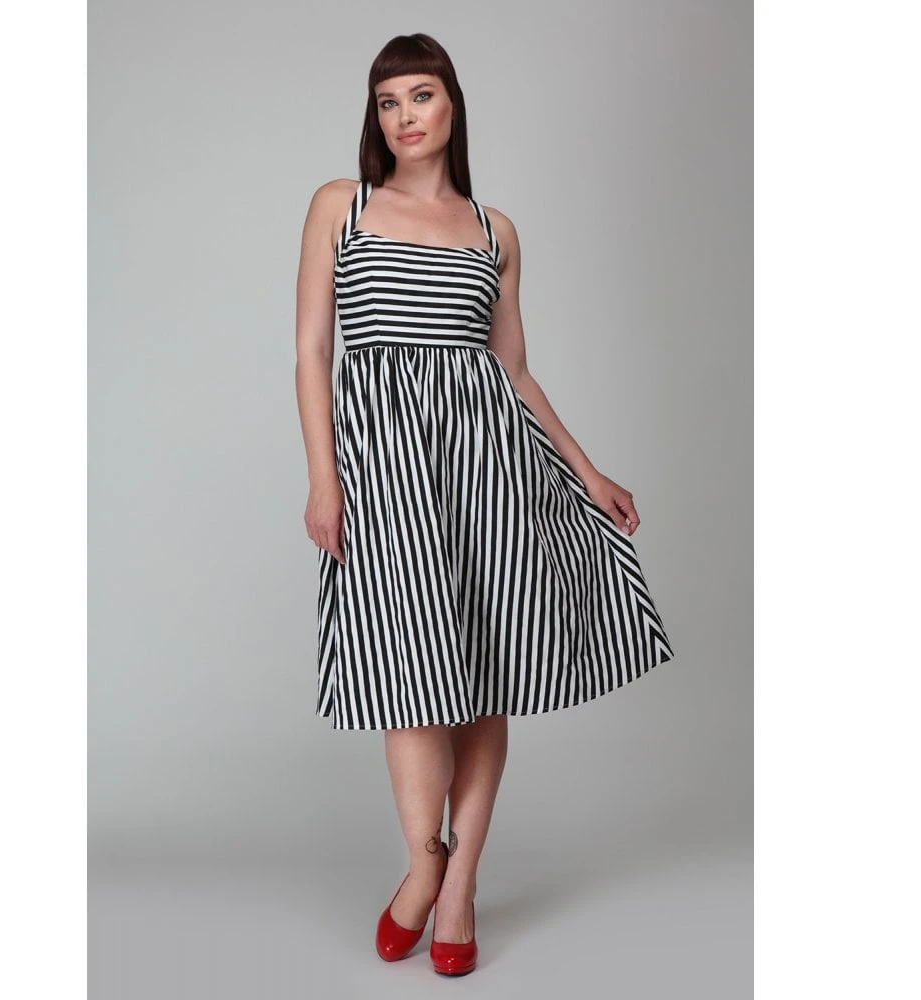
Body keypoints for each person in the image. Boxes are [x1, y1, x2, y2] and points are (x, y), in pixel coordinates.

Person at [294, 33, 674, 977]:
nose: (405, 116)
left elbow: (514, 369)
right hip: (386, 469)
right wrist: (323, 479)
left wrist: (588, 472)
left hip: (490, 467)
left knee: (484, 669)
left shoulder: (495, 230)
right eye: (388, 101)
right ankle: (425, 862)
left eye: (421, 95)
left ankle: (459, 885)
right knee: (410, 672)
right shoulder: (341, 206)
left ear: (453, 104)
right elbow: (311, 352)